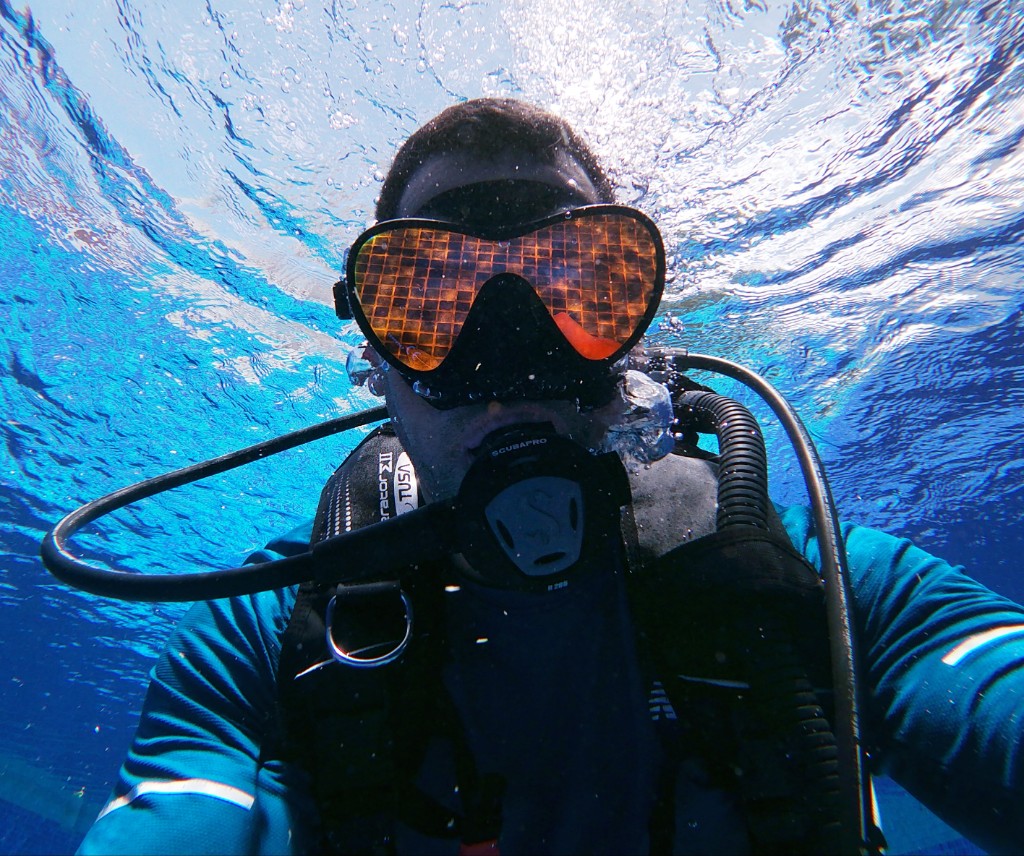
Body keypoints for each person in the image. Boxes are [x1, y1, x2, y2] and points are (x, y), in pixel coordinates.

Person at [77, 98, 1024, 856]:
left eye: (580, 288)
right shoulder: (267, 636)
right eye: (430, 301)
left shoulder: (813, 586)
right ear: (377, 367)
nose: (508, 355)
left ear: (640, 341)